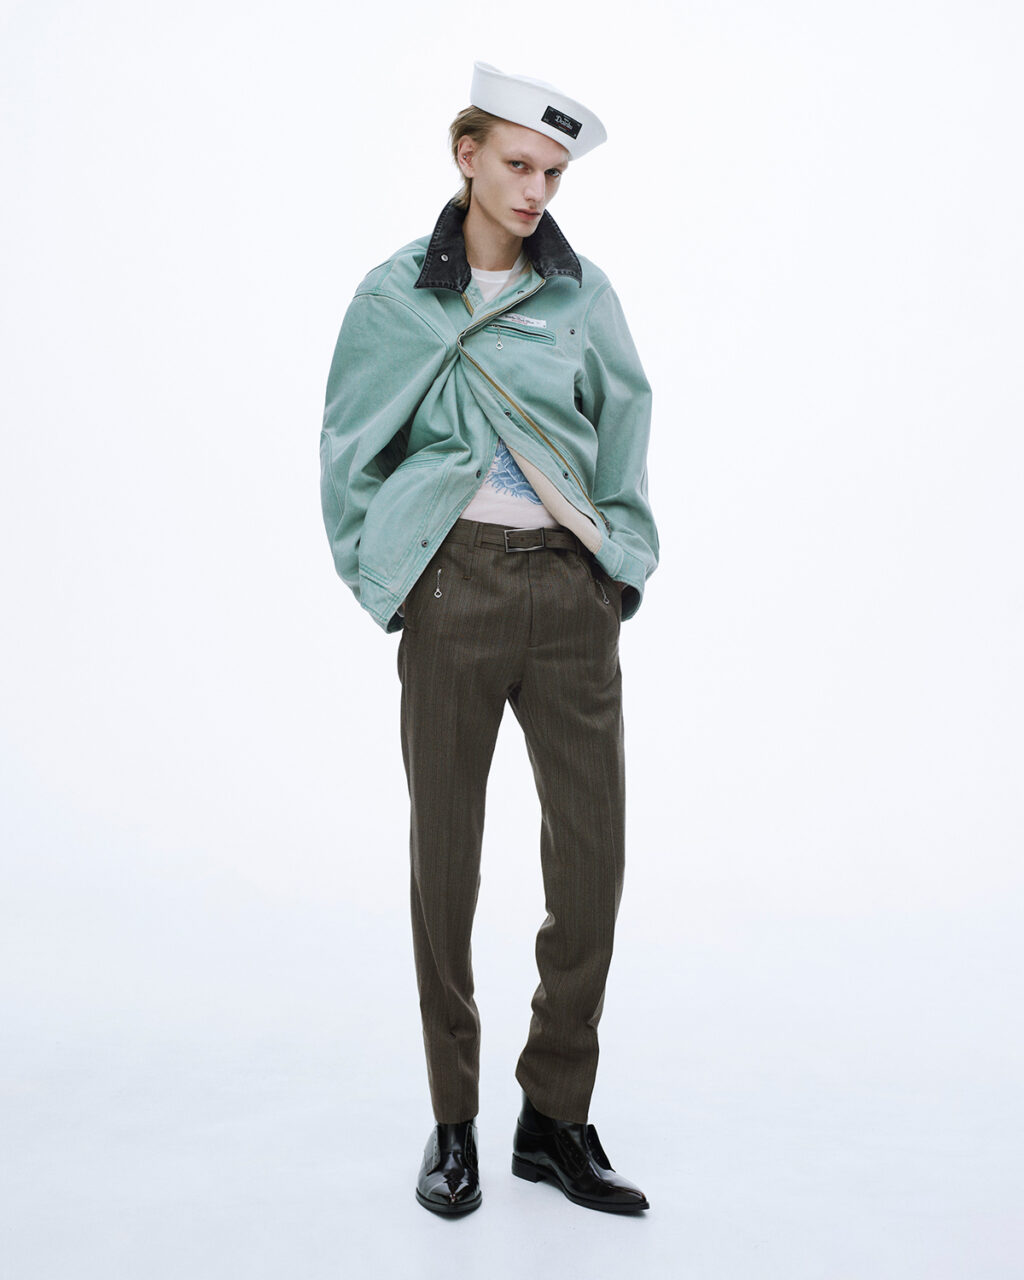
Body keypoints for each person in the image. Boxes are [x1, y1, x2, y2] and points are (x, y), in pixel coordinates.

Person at [319, 60, 658, 1216]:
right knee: (445, 863)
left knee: (593, 861)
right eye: (517, 163)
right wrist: (395, 579)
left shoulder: (582, 296)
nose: (534, 190)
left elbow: (624, 429)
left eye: (553, 173)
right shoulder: (394, 297)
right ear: (466, 154)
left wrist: (615, 565)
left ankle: (554, 1118)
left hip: (568, 591)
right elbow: (347, 450)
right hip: (451, 587)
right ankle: (453, 1117)